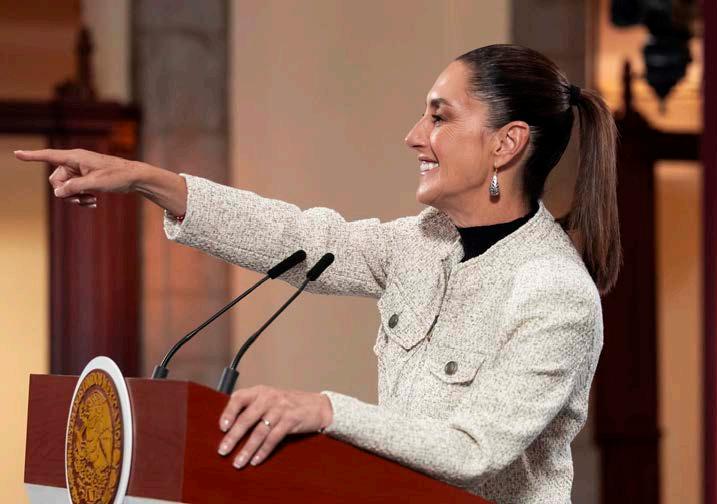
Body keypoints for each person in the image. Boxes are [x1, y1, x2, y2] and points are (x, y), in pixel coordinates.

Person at [15, 44, 620, 503]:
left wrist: (327, 411)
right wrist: (146, 179)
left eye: (439, 117)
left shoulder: (555, 293)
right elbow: (305, 240)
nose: (414, 137)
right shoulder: (422, 244)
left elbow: (473, 448)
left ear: (506, 144)